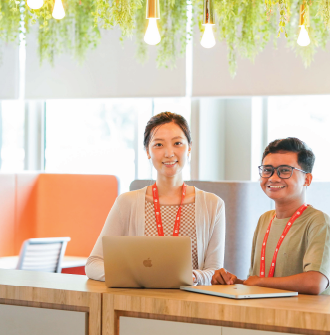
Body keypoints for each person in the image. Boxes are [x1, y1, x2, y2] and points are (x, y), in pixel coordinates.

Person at [86, 112, 225, 285]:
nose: (169, 153)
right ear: (147, 151)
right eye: (158, 144)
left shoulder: (213, 205)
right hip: (138, 307)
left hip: (192, 307)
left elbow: (215, 271)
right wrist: (137, 276)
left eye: (177, 143)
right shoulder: (126, 203)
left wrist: (193, 277)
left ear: (189, 147)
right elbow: (93, 264)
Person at [211, 137, 330, 295]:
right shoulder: (265, 219)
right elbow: (258, 281)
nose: (273, 178)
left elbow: (315, 282)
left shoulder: (318, 221)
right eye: (267, 170)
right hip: (268, 314)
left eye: (285, 170)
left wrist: (259, 281)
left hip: (306, 317)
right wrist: (233, 282)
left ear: (307, 179)